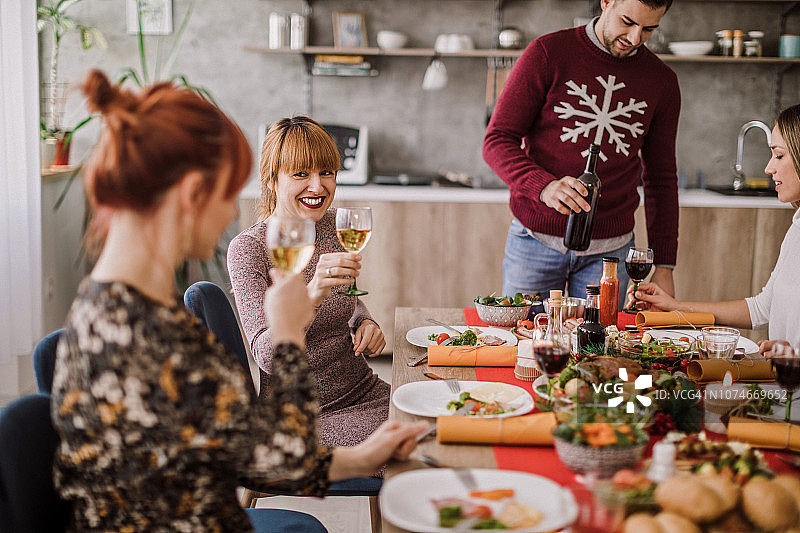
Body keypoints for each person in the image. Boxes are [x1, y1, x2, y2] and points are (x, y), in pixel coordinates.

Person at [51, 71, 426, 532]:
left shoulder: (112, 311)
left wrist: (363, 458)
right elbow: (273, 444)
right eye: (230, 193)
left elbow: (252, 454)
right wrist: (287, 332)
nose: (232, 212)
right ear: (192, 194)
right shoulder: (149, 340)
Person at [482, 0, 680, 309]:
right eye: (627, 21)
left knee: (598, 353)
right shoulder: (547, 53)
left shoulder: (662, 82)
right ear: (606, 2)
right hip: (535, 242)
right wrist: (544, 187)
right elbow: (497, 140)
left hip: (611, 256)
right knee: (524, 347)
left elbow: (662, 179)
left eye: (649, 29)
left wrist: (665, 265)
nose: (635, 38)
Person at [228, 116, 390, 448]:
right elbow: (267, 356)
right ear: (273, 179)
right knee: (423, 445)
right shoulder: (249, 249)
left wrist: (364, 319)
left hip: (363, 387)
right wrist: (311, 294)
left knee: (444, 417)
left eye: (326, 173)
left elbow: (346, 296)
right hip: (303, 415)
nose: (318, 187)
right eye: (301, 174)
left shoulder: (335, 225)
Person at [633, 103, 800, 351]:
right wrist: (674, 306)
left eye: (778, 155)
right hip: (783, 383)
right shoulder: (796, 226)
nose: (768, 168)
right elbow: (761, 308)